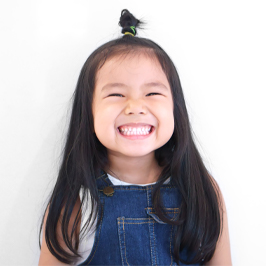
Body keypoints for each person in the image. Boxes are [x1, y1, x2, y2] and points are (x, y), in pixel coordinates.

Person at [38, 9, 231, 266]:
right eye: (116, 95)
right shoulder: (76, 202)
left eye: (152, 93)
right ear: (89, 111)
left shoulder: (201, 191)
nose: (135, 107)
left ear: (176, 108)